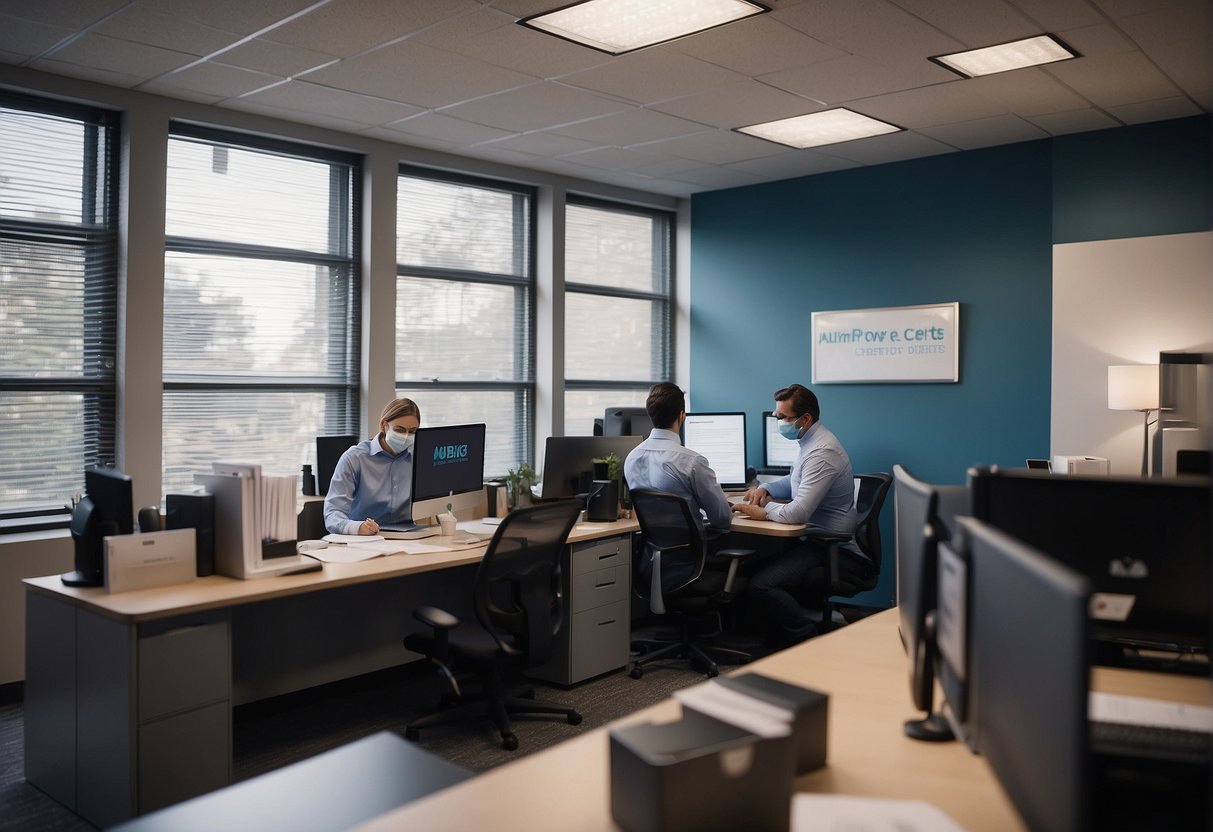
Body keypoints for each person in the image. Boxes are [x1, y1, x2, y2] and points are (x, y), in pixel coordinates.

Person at [732, 383, 858, 646]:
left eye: (783, 418)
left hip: (832, 545)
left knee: (761, 585)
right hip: (815, 538)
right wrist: (764, 488)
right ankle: (773, 633)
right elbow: (794, 481)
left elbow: (798, 513)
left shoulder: (822, 453)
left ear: (806, 418)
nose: (778, 422)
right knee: (752, 568)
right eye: (777, 417)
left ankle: (807, 640)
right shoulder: (810, 442)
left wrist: (763, 510)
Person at [624, 382, 733, 589]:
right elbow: (722, 520)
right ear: (682, 415)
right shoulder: (692, 462)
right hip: (690, 566)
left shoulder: (632, 457)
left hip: (651, 564)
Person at [324, 397, 421, 536]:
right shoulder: (354, 459)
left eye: (412, 431)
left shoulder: (419, 458)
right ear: (383, 425)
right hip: (362, 540)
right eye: (399, 430)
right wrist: (358, 528)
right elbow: (332, 514)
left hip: (409, 538)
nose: (406, 437)